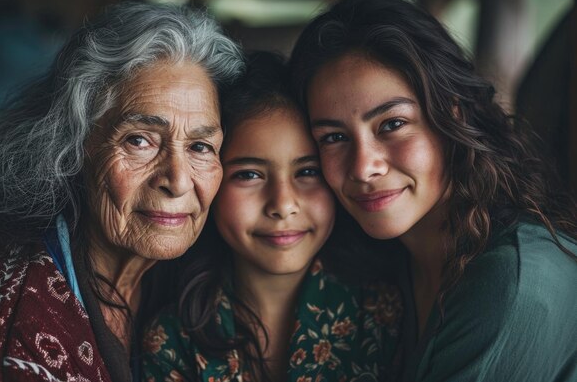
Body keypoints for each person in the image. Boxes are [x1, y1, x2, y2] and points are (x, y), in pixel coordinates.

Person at [289, 0, 577, 382]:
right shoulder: (385, 266)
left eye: (392, 124)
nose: (363, 167)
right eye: (333, 138)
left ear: (451, 115)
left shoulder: (514, 281)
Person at [0, 2, 243, 382]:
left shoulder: (202, 279)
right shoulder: (15, 320)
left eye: (200, 147)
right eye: (140, 140)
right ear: (75, 144)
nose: (178, 180)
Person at [142, 52, 402, 382]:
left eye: (308, 171)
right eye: (249, 175)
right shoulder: (171, 337)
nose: (282, 204)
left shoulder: (385, 313)